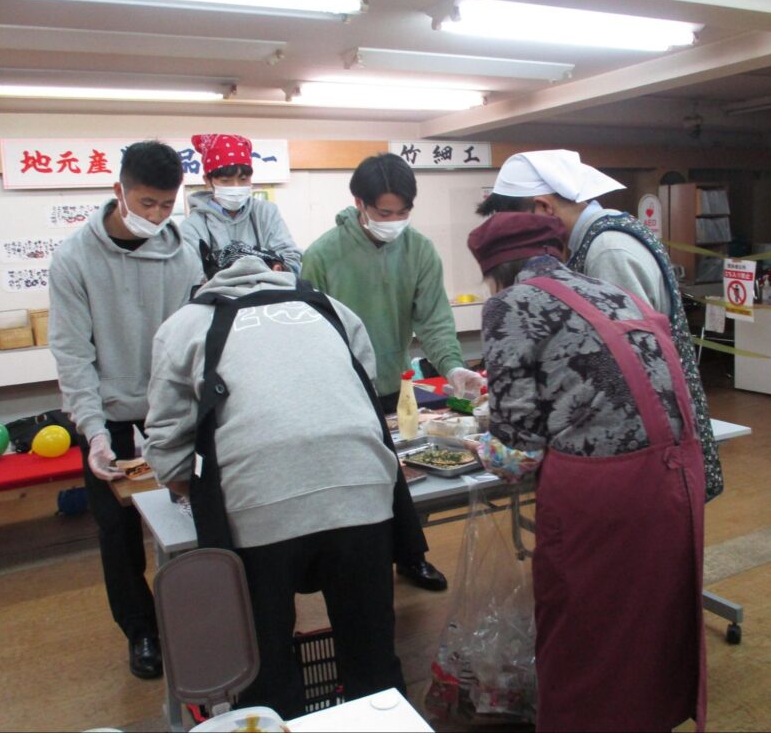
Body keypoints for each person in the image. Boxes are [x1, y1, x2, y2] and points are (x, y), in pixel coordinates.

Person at [466, 212, 707, 732]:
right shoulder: (612, 292)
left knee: (584, 632)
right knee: (650, 622)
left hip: (605, 489)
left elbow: (519, 453)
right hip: (674, 472)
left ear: (494, 271)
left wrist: (476, 445)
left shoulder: (510, 303)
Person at [144, 242, 405, 717]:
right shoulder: (331, 308)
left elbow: (167, 442)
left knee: (265, 668)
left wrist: (192, 488)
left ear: (207, 281)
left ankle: (276, 715)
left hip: (256, 501)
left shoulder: (182, 326)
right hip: (363, 487)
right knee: (371, 658)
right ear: (278, 270)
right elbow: (365, 389)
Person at [477, 149, 723, 501]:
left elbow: (628, 366)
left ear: (545, 209)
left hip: (638, 455)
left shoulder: (607, 248)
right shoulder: (597, 236)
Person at [48, 140, 203, 680]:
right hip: (109, 414)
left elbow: (193, 341)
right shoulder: (74, 259)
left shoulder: (183, 254)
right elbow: (73, 354)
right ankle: (141, 631)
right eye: (145, 203)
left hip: (171, 407)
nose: (156, 216)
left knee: (195, 509)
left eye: (166, 205)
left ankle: (205, 611)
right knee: (116, 531)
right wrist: (92, 432)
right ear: (118, 191)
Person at [301, 152, 483, 591]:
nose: (395, 221)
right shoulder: (323, 254)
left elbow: (434, 321)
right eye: (385, 213)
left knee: (402, 476)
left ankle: (410, 556)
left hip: (395, 386)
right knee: (357, 484)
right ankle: (362, 574)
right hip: (339, 390)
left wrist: (454, 367)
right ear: (359, 203)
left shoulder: (418, 249)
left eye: (403, 212)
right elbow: (311, 332)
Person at [181, 133, 302, 277]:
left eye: (243, 179)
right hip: (219, 297)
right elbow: (192, 275)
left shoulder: (265, 212)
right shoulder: (193, 226)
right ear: (208, 180)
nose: (236, 187)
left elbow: (291, 257)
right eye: (226, 181)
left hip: (268, 294)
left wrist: (281, 267)